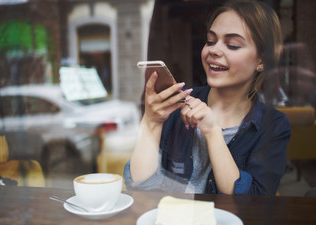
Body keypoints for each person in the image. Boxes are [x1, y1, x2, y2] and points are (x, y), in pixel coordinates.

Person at [124, 0, 291, 196]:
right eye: (210, 41)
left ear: (261, 60)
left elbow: (253, 201)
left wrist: (212, 132)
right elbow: (140, 186)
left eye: (232, 45)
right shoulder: (176, 103)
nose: (214, 50)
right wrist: (151, 122)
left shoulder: (275, 125)